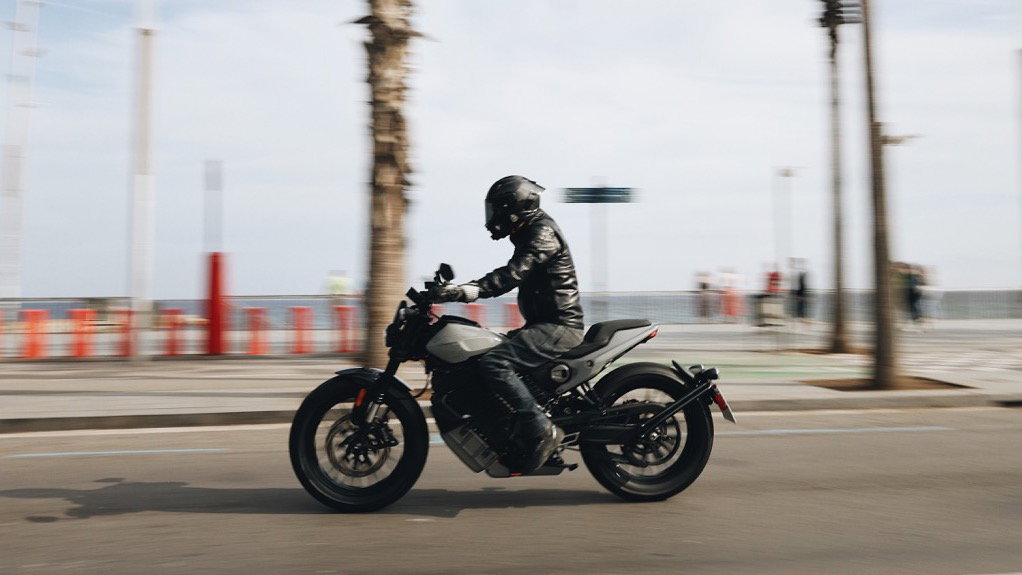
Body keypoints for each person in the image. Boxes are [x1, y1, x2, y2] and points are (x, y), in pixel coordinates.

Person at [437, 175, 585, 473]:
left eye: (497, 210)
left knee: (494, 363)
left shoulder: (542, 232)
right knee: (489, 353)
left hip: (559, 326)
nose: (492, 218)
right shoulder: (531, 231)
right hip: (543, 325)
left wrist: (470, 290)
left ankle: (540, 427)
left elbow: (514, 274)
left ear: (514, 208)